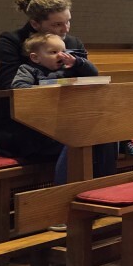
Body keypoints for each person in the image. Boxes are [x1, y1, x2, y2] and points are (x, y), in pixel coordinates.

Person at [11, 33, 117, 186]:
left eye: (63, 51)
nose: (61, 55)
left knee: (105, 135)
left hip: (67, 123)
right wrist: (48, 85)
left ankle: (105, 182)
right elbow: (20, 88)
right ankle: (64, 188)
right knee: (77, 140)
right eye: (53, 52)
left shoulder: (68, 69)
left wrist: (77, 62)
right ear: (35, 58)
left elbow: (93, 73)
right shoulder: (28, 69)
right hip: (40, 130)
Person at [0, 0, 88, 158]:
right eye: (57, 24)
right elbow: (13, 89)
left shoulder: (73, 43)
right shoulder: (11, 41)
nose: (66, 29)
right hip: (23, 125)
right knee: (80, 141)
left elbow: (86, 83)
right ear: (35, 24)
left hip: (66, 118)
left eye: (68, 21)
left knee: (103, 136)